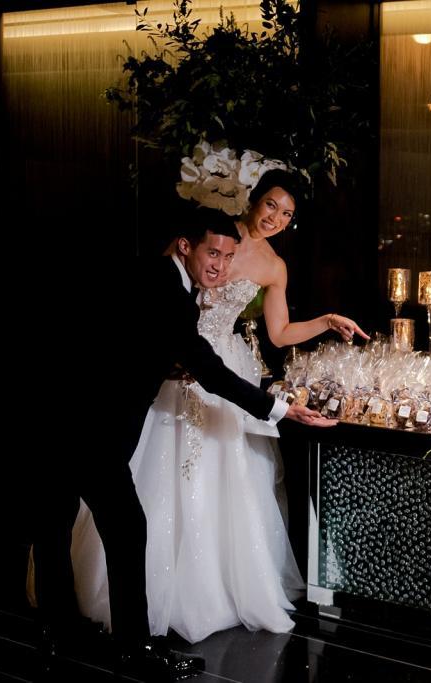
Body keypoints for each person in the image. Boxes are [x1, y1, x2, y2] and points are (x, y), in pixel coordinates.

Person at [72, 171, 367, 645]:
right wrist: (167, 357)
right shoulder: (209, 233)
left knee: (223, 477)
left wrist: (324, 321)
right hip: (174, 363)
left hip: (217, 363)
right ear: (255, 200)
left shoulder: (274, 266)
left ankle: (215, 589)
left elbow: (278, 334)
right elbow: (157, 299)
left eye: (287, 214)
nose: (276, 218)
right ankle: (134, 604)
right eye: (271, 205)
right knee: (146, 473)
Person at [34, 210, 331, 681]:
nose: (219, 266)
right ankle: (133, 649)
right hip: (91, 426)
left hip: (62, 415)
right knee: (126, 527)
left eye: (228, 257)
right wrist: (278, 409)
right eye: (212, 252)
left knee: (55, 521)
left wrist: (158, 361)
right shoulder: (168, 289)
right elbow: (208, 370)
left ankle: (58, 628)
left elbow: (123, 332)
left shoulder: (148, 274)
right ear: (186, 245)